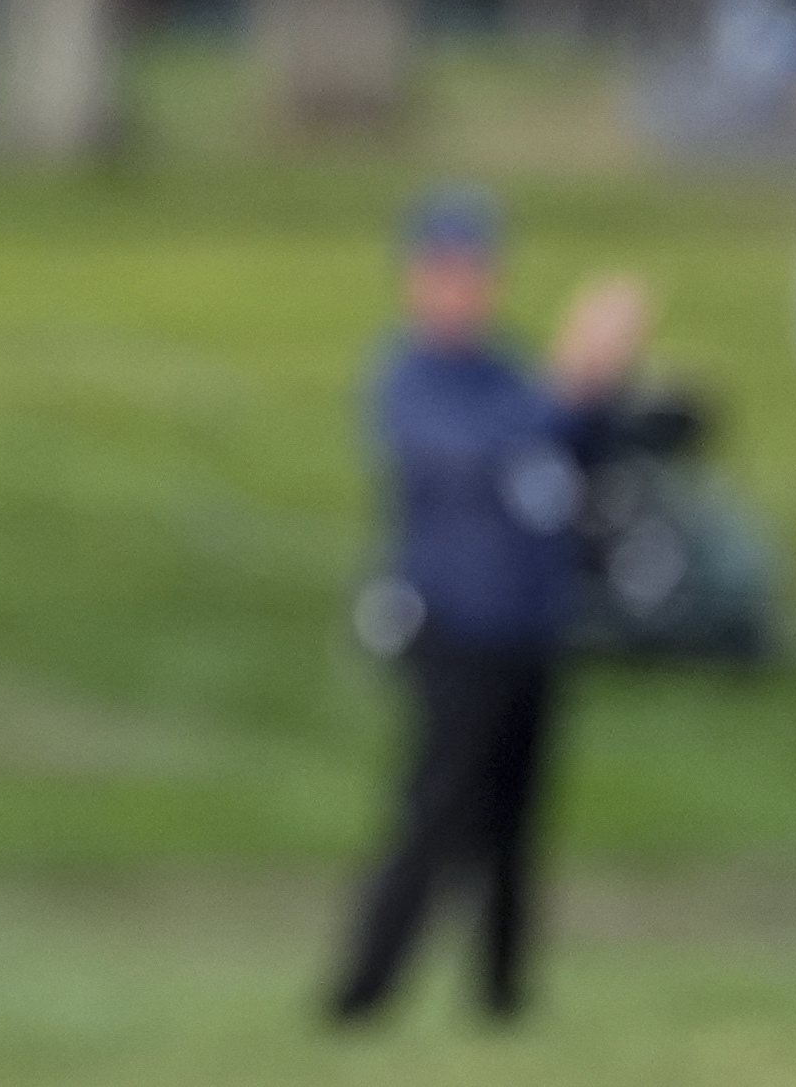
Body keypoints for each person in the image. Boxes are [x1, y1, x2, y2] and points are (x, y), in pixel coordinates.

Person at [325, 189, 649, 1030]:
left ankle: (502, 993)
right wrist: (572, 371)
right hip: (454, 624)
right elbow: (484, 446)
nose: (462, 285)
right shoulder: (411, 377)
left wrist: (601, 379)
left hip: (529, 622)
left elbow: (575, 447)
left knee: (517, 820)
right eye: (446, 269)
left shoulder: (504, 369)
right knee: (433, 810)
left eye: (473, 268)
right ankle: (364, 989)